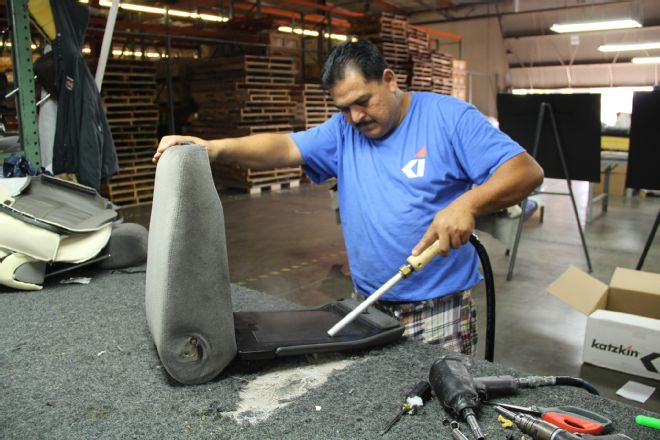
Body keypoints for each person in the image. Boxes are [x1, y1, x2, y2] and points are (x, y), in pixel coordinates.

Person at [154, 39, 544, 355]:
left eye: (363, 101)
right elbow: (284, 146)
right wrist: (212, 149)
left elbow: (526, 170)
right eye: (344, 109)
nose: (356, 117)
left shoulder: (449, 118)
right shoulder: (344, 132)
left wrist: (467, 204)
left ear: (389, 79)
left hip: (437, 309)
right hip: (368, 304)